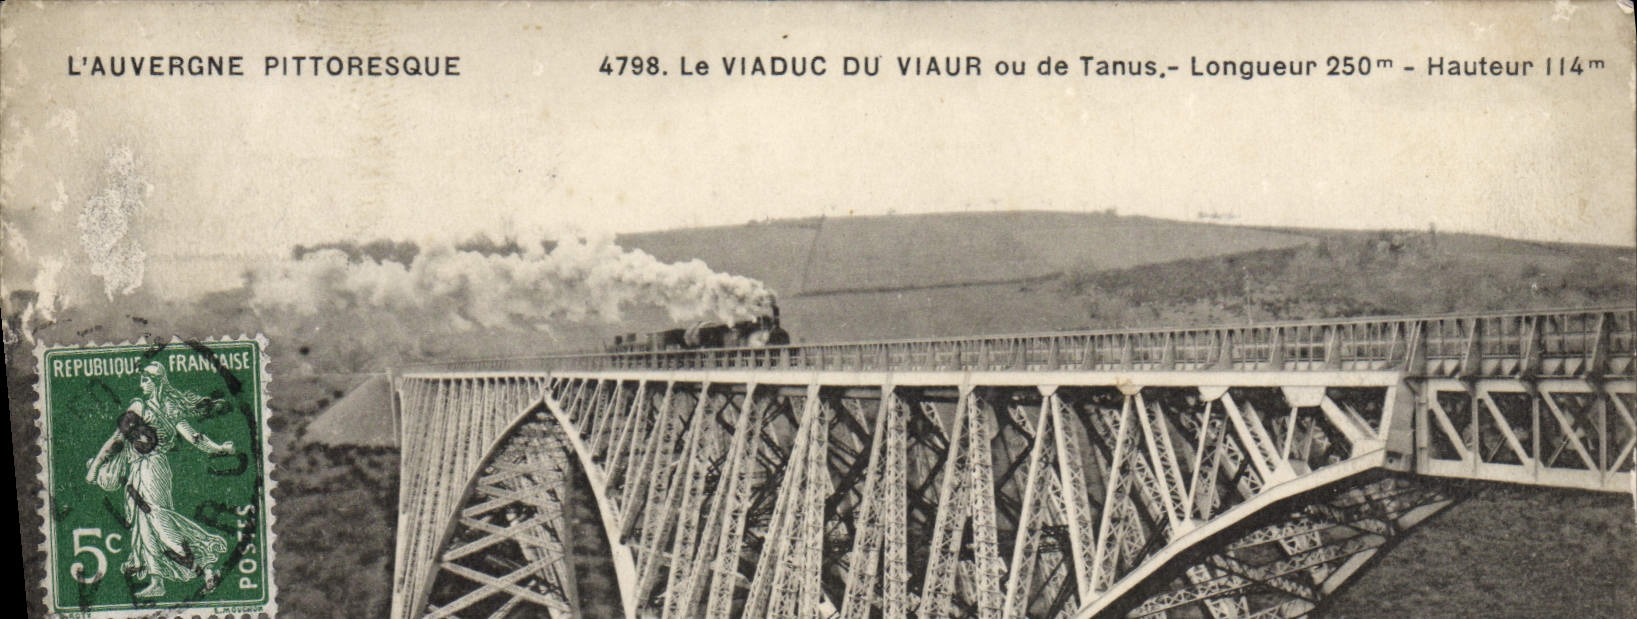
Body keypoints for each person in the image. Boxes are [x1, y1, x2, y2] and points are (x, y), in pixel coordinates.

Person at [85, 362, 233, 598]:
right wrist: (96, 466)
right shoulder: (145, 406)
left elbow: (193, 437)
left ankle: (205, 565)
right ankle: (157, 581)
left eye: (145, 380)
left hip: (153, 468)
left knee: (158, 517)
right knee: (143, 525)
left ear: (157, 382)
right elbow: (119, 438)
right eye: (141, 379)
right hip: (137, 470)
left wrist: (219, 449)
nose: (141, 384)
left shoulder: (157, 407)